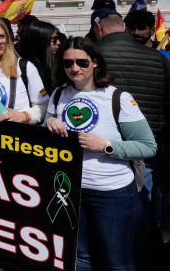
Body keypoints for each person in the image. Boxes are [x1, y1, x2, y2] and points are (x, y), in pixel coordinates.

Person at [46, 37, 156, 270]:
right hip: (70, 192)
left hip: (112, 194)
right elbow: (47, 141)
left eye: (82, 62)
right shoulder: (57, 96)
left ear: (95, 62)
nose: (74, 68)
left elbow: (147, 146)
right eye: (68, 64)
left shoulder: (118, 98)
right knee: (80, 259)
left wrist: (105, 146)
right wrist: (50, 123)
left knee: (117, 263)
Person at [95, 11, 170, 263]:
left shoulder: (92, 58)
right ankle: (167, 245)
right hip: (155, 139)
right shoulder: (158, 58)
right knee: (158, 196)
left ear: (99, 28)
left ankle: (131, 250)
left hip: (110, 146)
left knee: (128, 202)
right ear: (123, 27)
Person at [16, 20, 57, 94]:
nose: (58, 43)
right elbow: (40, 93)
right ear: (41, 41)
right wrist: (47, 97)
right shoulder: (30, 68)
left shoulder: (49, 62)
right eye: (54, 40)